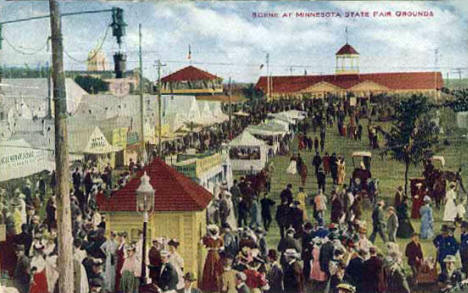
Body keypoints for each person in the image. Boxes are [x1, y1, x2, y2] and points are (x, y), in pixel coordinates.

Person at [200, 225, 224, 292]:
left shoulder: (208, 239)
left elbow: (201, 243)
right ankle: (214, 287)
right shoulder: (219, 239)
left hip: (211, 255)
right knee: (213, 270)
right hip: (215, 255)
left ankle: (211, 287)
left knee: (211, 270)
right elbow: (222, 248)